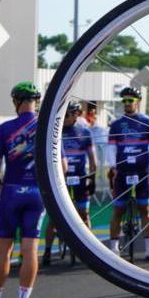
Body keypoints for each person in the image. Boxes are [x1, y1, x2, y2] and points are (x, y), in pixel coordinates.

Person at [0, 82, 44, 298]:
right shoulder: (45, 127)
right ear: (35, 102)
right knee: (30, 248)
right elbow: (60, 165)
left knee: (4, 250)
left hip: (11, 191)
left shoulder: (4, 128)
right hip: (37, 193)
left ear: (16, 101)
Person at [107, 86, 149, 260]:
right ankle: (113, 249)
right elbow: (111, 148)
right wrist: (113, 166)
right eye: (124, 101)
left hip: (142, 171)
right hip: (122, 171)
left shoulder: (147, 122)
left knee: (145, 209)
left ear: (137, 102)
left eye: (130, 100)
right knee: (118, 210)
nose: (127, 103)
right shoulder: (115, 124)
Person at [42, 101, 97, 266]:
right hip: (60, 179)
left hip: (80, 177)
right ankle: (46, 251)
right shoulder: (55, 133)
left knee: (84, 213)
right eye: (63, 115)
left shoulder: (85, 132)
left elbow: (93, 159)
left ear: (76, 115)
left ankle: (90, 249)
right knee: (55, 217)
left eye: (68, 115)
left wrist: (92, 178)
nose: (64, 118)